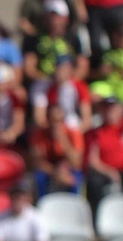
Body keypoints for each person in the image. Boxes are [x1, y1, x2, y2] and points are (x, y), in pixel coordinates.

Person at [30, 55, 90, 193]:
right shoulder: (43, 86)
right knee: (39, 175)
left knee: (76, 171)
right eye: (58, 67)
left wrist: (65, 137)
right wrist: (55, 171)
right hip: (49, 137)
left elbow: (86, 119)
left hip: (73, 132)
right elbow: (39, 118)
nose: (60, 71)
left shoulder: (79, 87)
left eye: (64, 68)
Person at [23, 0, 88, 84]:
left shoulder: (74, 39)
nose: (53, 20)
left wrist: (66, 79)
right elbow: (29, 69)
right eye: (50, 16)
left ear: (66, 18)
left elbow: (82, 67)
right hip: (43, 84)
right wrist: (49, 80)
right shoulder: (34, 40)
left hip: (68, 82)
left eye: (57, 16)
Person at [86, 95, 123, 204]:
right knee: (94, 181)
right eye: (106, 108)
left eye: (113, 108)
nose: (109, 111)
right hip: (106, 172)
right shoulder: (97, 133)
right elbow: (93, 160)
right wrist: (109, 172)